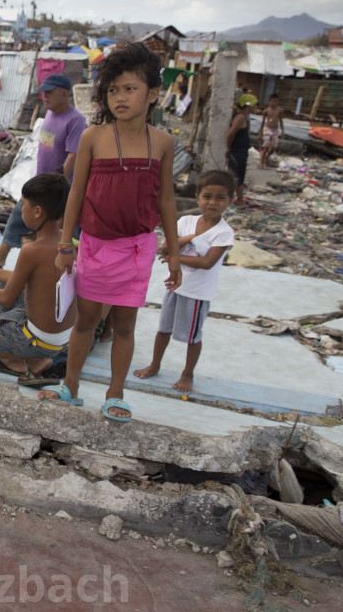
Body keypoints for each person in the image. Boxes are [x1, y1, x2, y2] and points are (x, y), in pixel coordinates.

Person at [38, 41, 181, 422]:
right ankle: (70, 385)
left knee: (124, 325)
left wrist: (175, 251)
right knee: (85, 320)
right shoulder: (93, 138)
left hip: (137, 248)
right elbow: (76, 195)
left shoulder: (163, 143)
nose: (120, 97)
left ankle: (116, 393)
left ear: (152, 94)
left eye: (130, 89)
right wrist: (66, 243)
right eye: (113, 90)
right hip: (95, 247)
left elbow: (166, 201)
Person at [0, 173, 74, 387]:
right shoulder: (69, 243)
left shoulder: (32, 250)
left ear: (37, 212)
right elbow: (24, 279)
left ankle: (17, 361)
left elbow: (6, 299)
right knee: (2, 281)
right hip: (61, 339)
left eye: (24, 205)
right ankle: (36, 357)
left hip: (37, 339)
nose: (21, 211)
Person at [134, 170, 235, 393]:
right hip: (174, 286)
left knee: (192, 336)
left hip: (198, 292)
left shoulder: (224, 233)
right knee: (163, 329)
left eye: (220, 198)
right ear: (197, 197)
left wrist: (174, 255)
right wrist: (185, 240)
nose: (212, 203)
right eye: (207, 196)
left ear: (230, 201)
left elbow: (208, 262)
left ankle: (187, 374)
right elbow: (164, 247)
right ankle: (154, 364)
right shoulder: (186, 221)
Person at [0, 73, 86, 266]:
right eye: (44, 93)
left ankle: (64, 267)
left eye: (50, 93)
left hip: (59, 186)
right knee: (21, 214)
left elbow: (73, 155)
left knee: (62, 226)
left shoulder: (76, 120)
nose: (45, 97)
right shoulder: (50, 114)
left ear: (63, 93)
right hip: (41, 179)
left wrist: (59, 180)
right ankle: (2, 255)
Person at [227, 98, 252, 205]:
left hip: (240, 151)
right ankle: (239, 200)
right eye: (253, 105)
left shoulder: (245, 117)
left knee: (239, 174)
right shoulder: (240, 117)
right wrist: (228, 149)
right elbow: (230, 134)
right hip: (237, 151)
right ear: (248, 106)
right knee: (237, 175)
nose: (255, 107)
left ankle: (237, 199)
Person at [259, 95, 284, 169]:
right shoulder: (266, 111)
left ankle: (267, 157)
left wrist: (283, 131)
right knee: (266, 147)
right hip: (267, 129)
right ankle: (261, 162)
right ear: (270, 101)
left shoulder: (279, 110)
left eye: (276, 101)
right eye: (273, 101)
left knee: (274, 148)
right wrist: (260, 132)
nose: (274, 103)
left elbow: (281, 121)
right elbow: (263, 122)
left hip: (275, 130)